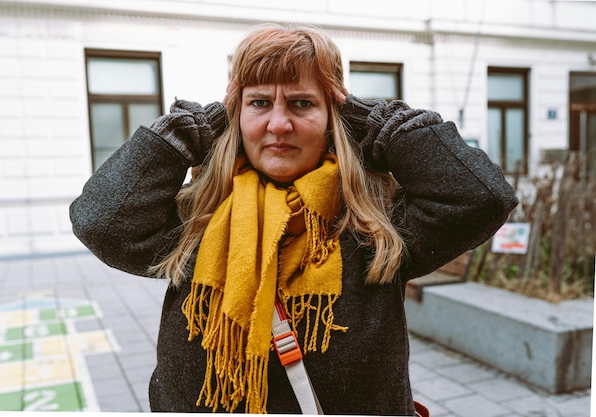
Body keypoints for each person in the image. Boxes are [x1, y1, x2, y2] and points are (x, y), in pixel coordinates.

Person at [70, 23, 518, 416]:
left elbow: (482, 197)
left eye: (303, 103)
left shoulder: (375, 223)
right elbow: (100, 220)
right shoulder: (196, 218)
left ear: (333, 115)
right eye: (259, 102)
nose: (279, 123)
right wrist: (197, 124)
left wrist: (368, 116)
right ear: (235, 113)